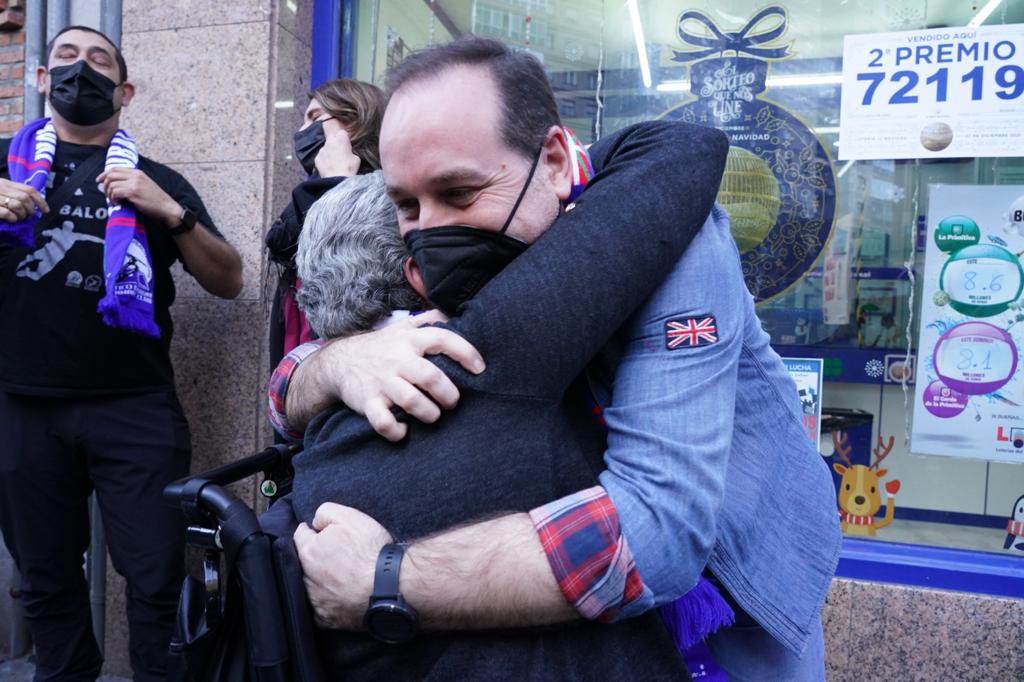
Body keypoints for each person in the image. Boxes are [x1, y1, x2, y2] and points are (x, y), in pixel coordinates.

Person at [276, 38, 839, 679]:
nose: (428, 231)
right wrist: (338, 364)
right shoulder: (477, 239)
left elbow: (660, 531)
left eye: (460, 193)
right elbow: (289, 399)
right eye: (407, 205)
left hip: (737, 576)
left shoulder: (674, 233)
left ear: (550, 161)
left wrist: (386, 582)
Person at [0, 26, 242, 681]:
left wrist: (172, 213)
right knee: (46, 579)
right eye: (67, 60)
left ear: (125, 90)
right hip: (21, 405)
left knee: (159, 582)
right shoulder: (1, 164)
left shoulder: (157, 179)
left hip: (133, 408)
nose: (83, 71)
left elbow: (229, 280)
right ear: (44, 81)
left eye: (99, 61)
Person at [265, 79, 386, 371]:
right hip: (300, 368)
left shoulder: (386, 197)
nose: (302, 132)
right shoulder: (310, 195)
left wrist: (336, 186)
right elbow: (281, 243)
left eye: (315, 117)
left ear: (354, 124)